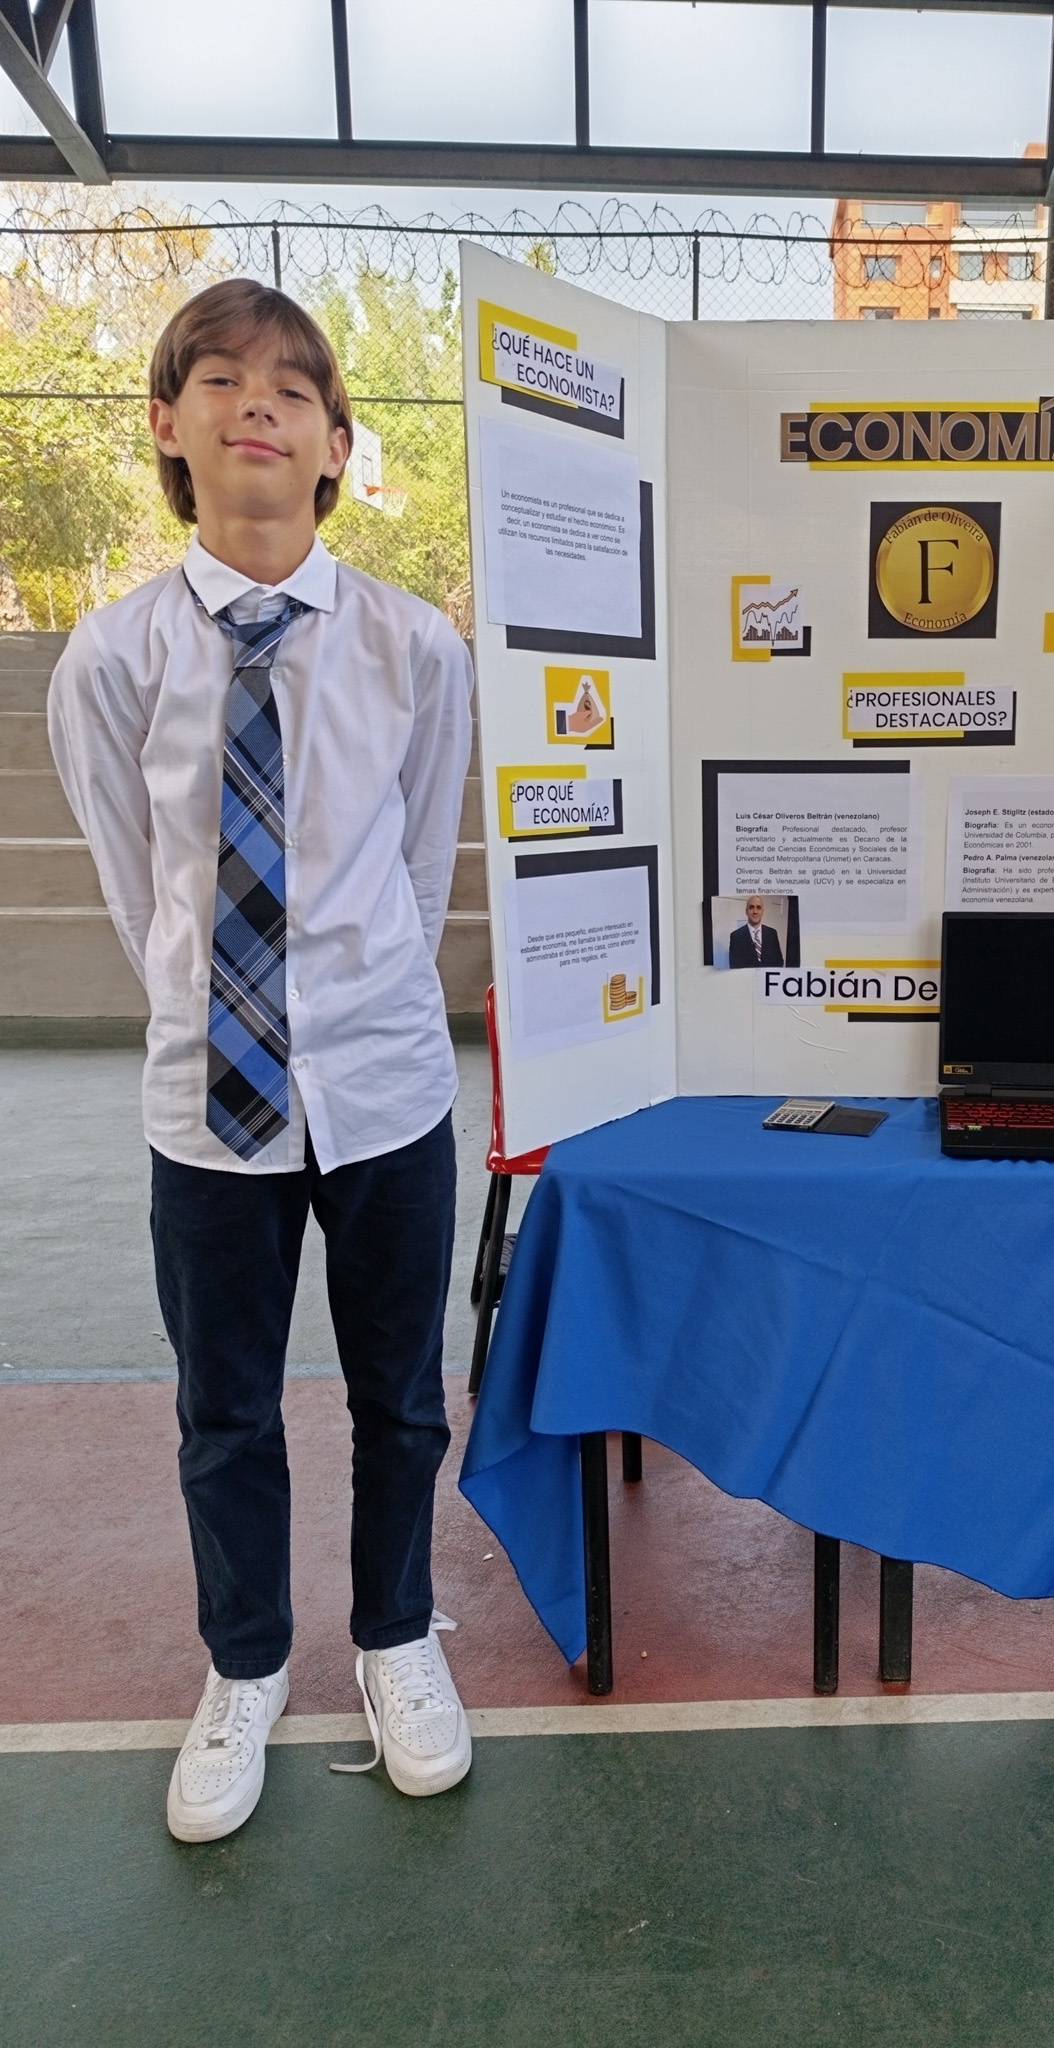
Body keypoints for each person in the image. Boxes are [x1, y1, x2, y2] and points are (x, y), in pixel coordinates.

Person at [47, 279, 475, 1844]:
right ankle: (243, 1664)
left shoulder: (415, 648)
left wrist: (353, 1001)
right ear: (167, 425)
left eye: (294, 391)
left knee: (400, 1400)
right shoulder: (110, 658)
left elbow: (419, 863)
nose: (258, 407)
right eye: (221, 379)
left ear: (337, 447)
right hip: (206, 1102)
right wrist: (219, 1008)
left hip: (385, 1091)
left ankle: (396, 1636)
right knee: (222, 1411)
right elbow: (135, 881)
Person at [728, 894, 784, 968]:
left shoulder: (772, 934)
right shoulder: (736, 936)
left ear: (762, 911)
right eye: (751, 907)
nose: (755, 911)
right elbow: (734, 967)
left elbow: (779, 962)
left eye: (758, 907)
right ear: (746, 911)